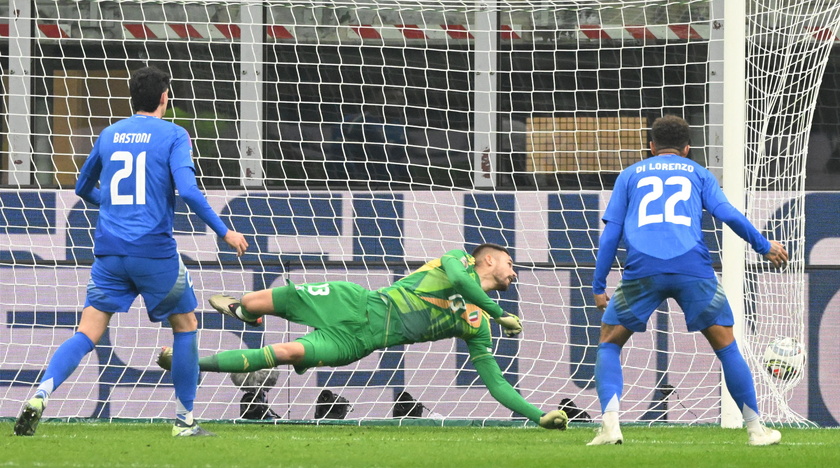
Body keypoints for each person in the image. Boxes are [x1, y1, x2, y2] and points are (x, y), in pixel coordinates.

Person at [14, 66, 249, 437]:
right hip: (153, 251)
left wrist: (112, 205)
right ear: (164, 98)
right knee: (185, 327)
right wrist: (224, 231)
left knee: (87, 332)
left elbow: (81, 186)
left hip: (110, 252)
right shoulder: (174, 134)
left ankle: (42, 392)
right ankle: (185, 421)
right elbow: (187, 191)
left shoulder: (110, 134)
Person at [157, 243, 568, 430]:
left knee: (281, 352)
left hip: (359, 341)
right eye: (510, 264)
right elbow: (463, 280)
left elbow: (495, 381)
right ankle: (244, 309)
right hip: (353, 303)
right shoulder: (455, 261)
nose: (514, 273)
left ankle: (185, 363)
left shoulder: (477, 325)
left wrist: (538, 416)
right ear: (489, 259)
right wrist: (499, 313)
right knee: (255, 300)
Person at [588, 115, 789, 446]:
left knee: (610, 342)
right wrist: (763, 245)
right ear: (687, 148)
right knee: (726, 345)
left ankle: (610, 425)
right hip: (692, 269)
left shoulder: (629, 175)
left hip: (642, 270)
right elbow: (727, 214)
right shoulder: (699, 173)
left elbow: (611, 234)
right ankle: (756, 430)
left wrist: (598, 286)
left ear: (650, 147)